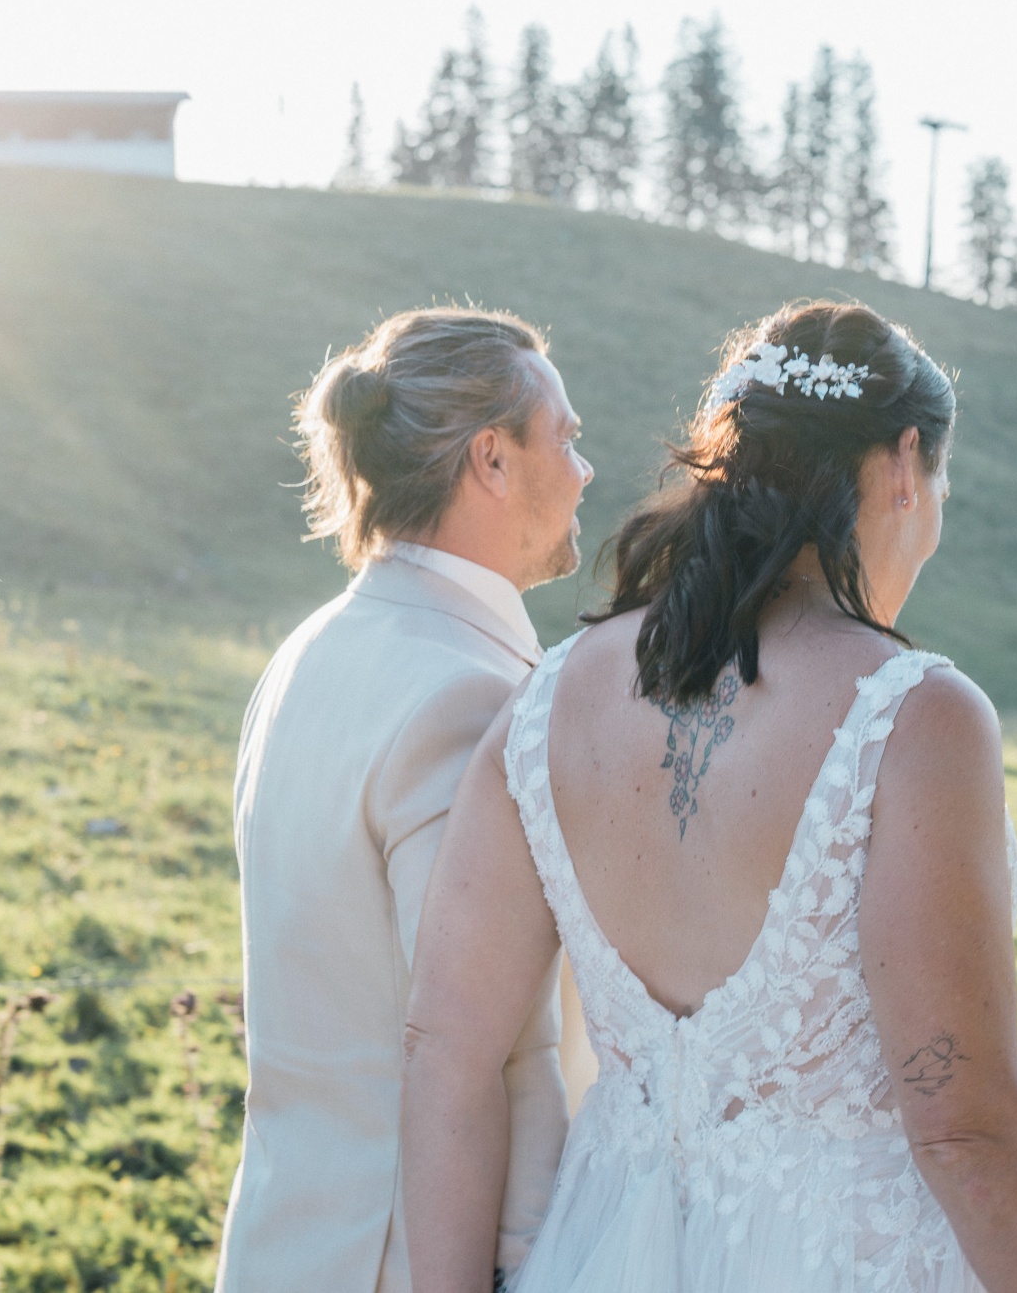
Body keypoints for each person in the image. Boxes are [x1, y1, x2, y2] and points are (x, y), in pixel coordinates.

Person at [402, 300, 1017, 1290]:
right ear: (904, 464)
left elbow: (445, 1051)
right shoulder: (914, 716)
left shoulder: (548, 701)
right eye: (938, 487)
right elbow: (965, 1128)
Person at [217, 306, 594, 1293]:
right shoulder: (464, 695)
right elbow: (487, 1053)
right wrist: (529, 1264)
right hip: (410, 1257)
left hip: (284, 1245)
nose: (584, 470)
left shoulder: (305, 653)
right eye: (565, 438)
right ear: (491, 460)